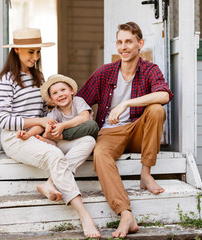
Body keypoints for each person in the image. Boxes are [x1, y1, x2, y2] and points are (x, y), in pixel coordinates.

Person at [0, 28, 101, 238]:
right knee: (55, 155)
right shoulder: (7, 80)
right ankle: (84, 216)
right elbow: (3, 119)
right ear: (16, 50)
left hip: (40, 135)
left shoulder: (39, 78)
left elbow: (45, 112)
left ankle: (50, 183)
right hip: (16, 138)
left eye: (38, 52)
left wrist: (49, 127)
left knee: (88, 140)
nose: (35, 57)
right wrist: (39, 123)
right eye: (30, 52)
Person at [77, 22, 174, 238]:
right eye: (120, 42)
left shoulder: (150, 69)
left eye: (129, 41)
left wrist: (126, 104)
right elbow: (80, 100)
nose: (123, 47)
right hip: (110, 133)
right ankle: (125, 213)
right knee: (100, 153)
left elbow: (164, 95)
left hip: (138, 131)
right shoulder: (105, 72)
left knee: (157, 110)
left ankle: (145, 174)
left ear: (140, 44)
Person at [17, 73, 99, 175]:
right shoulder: (55, 112)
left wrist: (62, 126)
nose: (60, 94)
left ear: (71, 91)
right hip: (67, 144)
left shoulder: (78, 101)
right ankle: (52, 143)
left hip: (79, 138)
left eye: (63, 90)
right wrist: (28, 135)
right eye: (55, 93)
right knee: (48, 127)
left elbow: (85, 117)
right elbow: (42, 125)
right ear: (51, 99)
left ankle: (54, 141)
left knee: (91, 125)